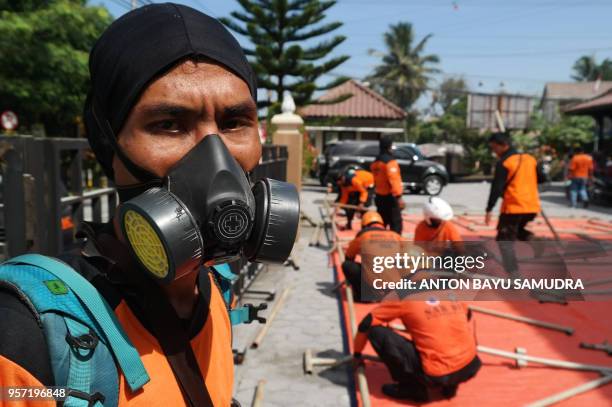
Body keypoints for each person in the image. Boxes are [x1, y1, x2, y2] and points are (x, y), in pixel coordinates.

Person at [0, 4, 299, 406]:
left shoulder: (215, 286)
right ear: (109, 143)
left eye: (234, 123)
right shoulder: (24, 335)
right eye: (168, 125)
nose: (218, 158)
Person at [353, 299, 481, 401]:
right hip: (470, 365)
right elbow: (468, 314)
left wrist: (357, 353)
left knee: (375, 331)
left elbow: (366, 324)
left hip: (438, 374)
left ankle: (412, 388)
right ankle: (450, 386)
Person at [485, 132, 541, 275]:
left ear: (503, 145)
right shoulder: (530, 159)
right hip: (532, 207)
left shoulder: (505, 163)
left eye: (494, 148)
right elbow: (542, 178)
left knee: (504, 241)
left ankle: (514, 275)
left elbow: (496, 188)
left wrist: (489, 208)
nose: (494, 151)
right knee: (518, 232)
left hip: (513, 207)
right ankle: (536, 242)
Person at [342, 211, 403, 301]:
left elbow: (349, 256)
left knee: (348, 265)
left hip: (374, 287)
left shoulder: (363, 236)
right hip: (396, 290)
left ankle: (362, 296)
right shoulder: (396, 236)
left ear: (364, 225)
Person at [371, 136, 405, 234]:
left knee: (382, 223)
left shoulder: (375, 163)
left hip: (379, 197)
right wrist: (399, 197)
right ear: (389, 147)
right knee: (396, 225)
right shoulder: (390, 162)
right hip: (391, 199)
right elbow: (394, 180)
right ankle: (396, 246)